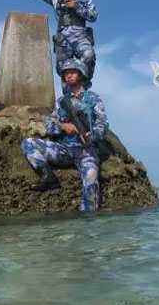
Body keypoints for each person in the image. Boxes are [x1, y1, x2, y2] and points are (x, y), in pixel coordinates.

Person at [21, 58, 109, 212]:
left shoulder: (93, 99)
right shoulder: (61, 102)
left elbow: (103, 125)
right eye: (66, 73)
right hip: (65, 149)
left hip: (86, 151)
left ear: (81, 75)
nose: (69, 75)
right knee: (28, 143)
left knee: (91, 178)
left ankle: (89, 219)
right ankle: (48, 177)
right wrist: (63, 126)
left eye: (73, 72)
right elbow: (49, 125)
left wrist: (92, 135)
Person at [12, 0, 98, 90]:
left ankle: (83, 90)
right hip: (62, 38)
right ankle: (68, 98)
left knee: (89, 55)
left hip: (80, 35)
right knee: (64, 69)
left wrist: (77, 6)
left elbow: (93, 16)